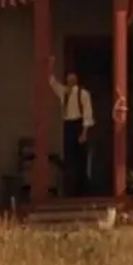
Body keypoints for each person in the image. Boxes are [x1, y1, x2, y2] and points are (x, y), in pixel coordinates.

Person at [47, 61, 94, 196]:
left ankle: (83, 189)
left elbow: (87, 114)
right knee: (69, 158)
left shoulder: (83, 94)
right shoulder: (64, 92)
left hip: (79, 124)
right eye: (68, 77)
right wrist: (50, 68)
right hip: (68, 124)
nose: (70, 80)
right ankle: (71, 189)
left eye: (73, 77)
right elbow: (53, 84)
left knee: (81, 158)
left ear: (77, 79)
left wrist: (84, 133)